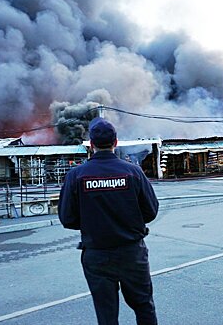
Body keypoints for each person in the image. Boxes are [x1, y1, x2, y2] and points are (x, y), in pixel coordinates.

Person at [58, 117, 159, 325]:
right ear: (116, 143)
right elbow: (150, 211)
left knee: (106, 315)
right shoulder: (133, 172)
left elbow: (67, 218)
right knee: (143, 306)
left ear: (91, 145)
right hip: (132, 253)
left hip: (96, 255)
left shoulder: (76, 175)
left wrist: (92, 223)